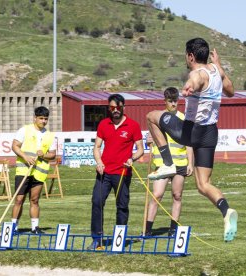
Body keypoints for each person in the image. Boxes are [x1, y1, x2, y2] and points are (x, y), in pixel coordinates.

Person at [146, 38, 238, 242]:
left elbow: (194, 80)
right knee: (203, 184)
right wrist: (220, 66)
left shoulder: (196, 73)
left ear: (190, 56)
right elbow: (231, 92)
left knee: (152, 117)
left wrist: (188, 88)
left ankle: (167, 163)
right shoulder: (216, 70)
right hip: (210, 133)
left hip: (192, 130)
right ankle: (226, 210)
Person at [89, 94, 144, 249]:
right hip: (104, 173)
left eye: (118, 107)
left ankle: (119, 239)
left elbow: (140, 149)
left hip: (122, 173)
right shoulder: (103, 124)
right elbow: (97, 147)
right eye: (112, 107)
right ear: (109, 108)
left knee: (122, 206)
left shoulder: (133, 125)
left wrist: (132, 159)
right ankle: (97, 239)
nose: (115, 110)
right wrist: (99, 162)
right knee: (97, 202)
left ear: (123, 108)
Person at [145, 87, 193, 237]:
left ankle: (173, 229)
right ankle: (147, 229)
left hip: (180, 164)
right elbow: (149, 139)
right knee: (157, 195)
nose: (173, 104)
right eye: (170, 101)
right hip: (163, 165)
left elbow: (189, 143)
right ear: (164, 101)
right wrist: (148, 140)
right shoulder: (158, 118)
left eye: (175, 101)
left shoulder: (183, 118)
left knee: (177, 195)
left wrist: (190, 163)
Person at [11, 106, 56, 234]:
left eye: (46, 119)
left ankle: (35, 228)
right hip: (24, 170)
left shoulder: (49, 135)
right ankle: (13, 227)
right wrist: (25, 157)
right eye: (41, 118)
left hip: (39, 172)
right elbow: (15, 146)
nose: (43, 121)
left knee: (34, 200)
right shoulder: (24, 130)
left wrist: (43, 155)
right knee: (19, 199)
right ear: (35, 118)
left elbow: (53, 155)